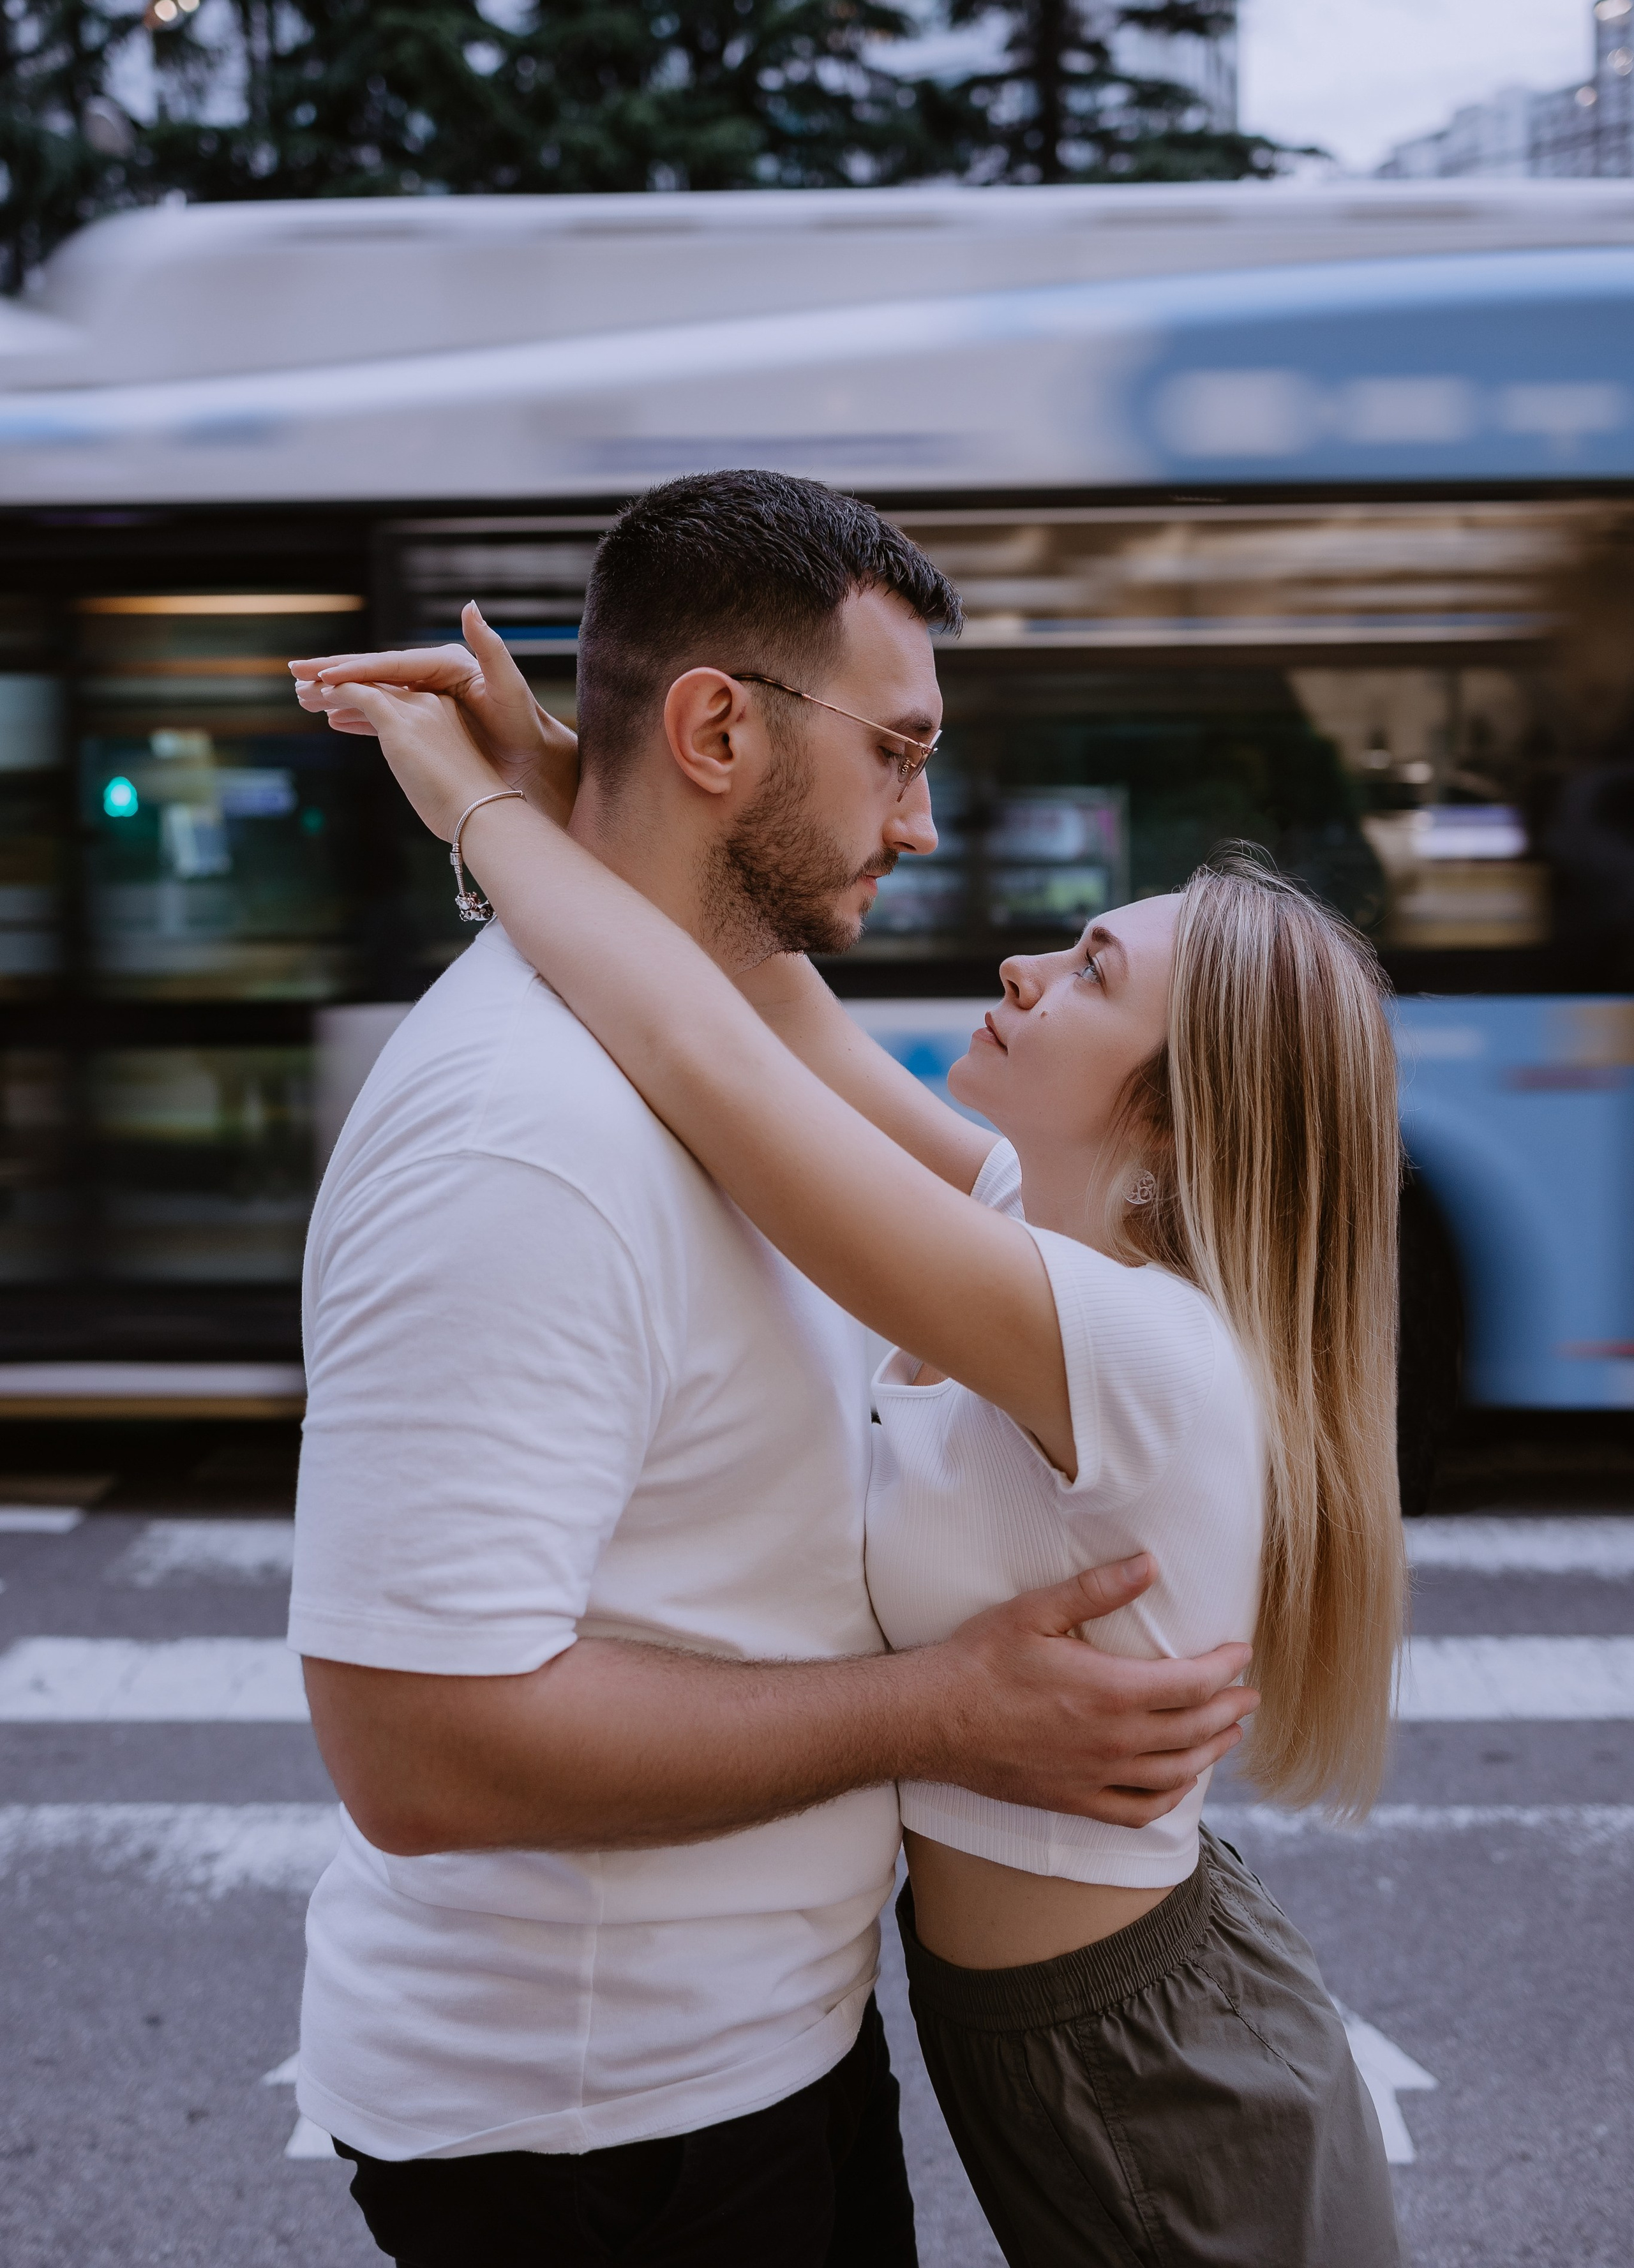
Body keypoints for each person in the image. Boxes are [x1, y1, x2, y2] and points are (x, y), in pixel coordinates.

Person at [303, 576, 1410, 2268]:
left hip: (1152, 2069)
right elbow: (768, 1004)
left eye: (1091, 970)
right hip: (1056, 2034)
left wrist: (479, 806)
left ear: (1181, 1125)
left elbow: (706, 1056)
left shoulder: (1133, 1346)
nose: (1026, 963)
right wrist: (607, 781)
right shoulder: (1021, 1223)